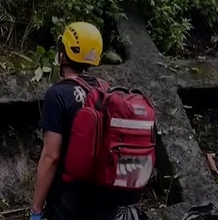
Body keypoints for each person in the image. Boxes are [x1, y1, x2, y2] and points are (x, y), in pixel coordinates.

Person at [29, 22, 148, 220]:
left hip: (69, 201)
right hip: (105, 197)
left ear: (64, 53)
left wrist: (36, 208)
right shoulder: (105, 89)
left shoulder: (57, 95)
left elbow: (51, 157)